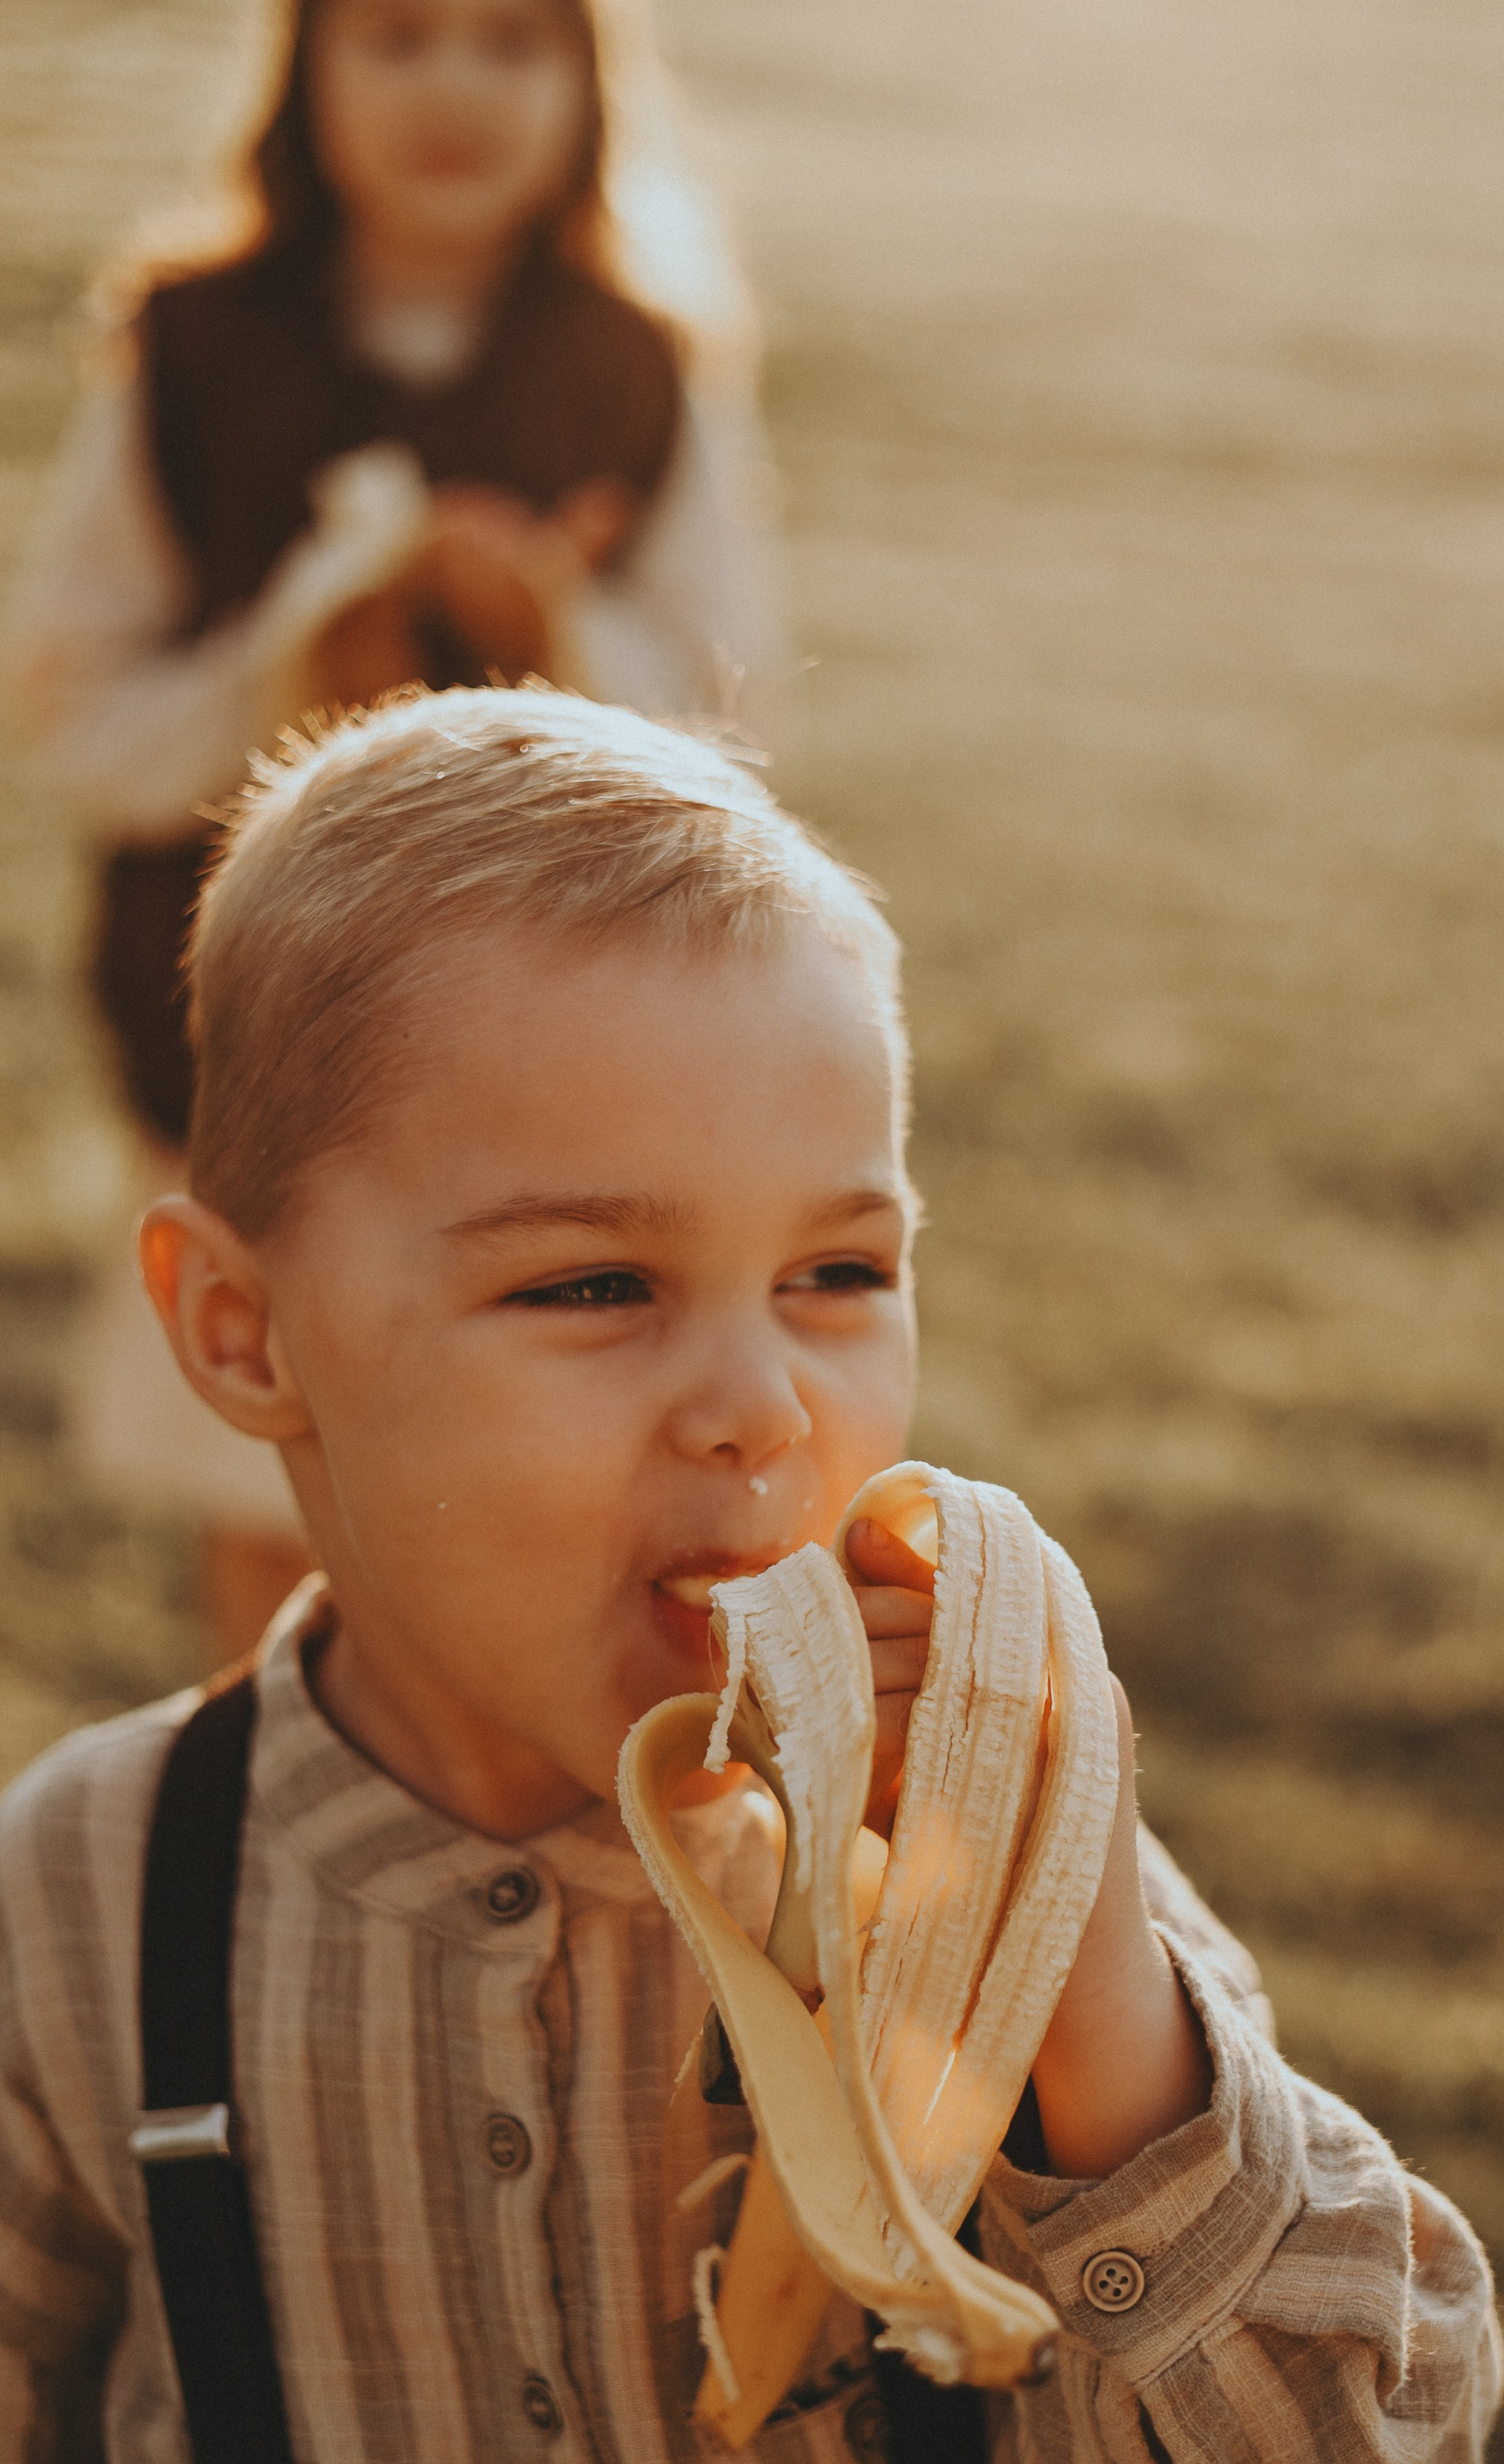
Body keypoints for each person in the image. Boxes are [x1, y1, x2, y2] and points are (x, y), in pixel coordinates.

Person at [0, 689, 1503, 2464]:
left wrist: (1089, 2011)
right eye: (597, 1284)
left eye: (836, 1272)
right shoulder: (87, 1901)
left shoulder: (974, 1876)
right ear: (248, 1334)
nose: (759, 1407)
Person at [4, 0, 781, 1664]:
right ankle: (274, 1863)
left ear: (587, 77)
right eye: (398, 35)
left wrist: (551, 626)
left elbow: (734, 718)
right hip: (243, 1036)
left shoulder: (639, 360)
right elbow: (72, 710)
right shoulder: (193, 345)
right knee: (267, 1498)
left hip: (556, 1065)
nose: (453, 86)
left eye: (511, 42)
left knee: (512, 1518)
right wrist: (298, 641)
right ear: (305, 69)